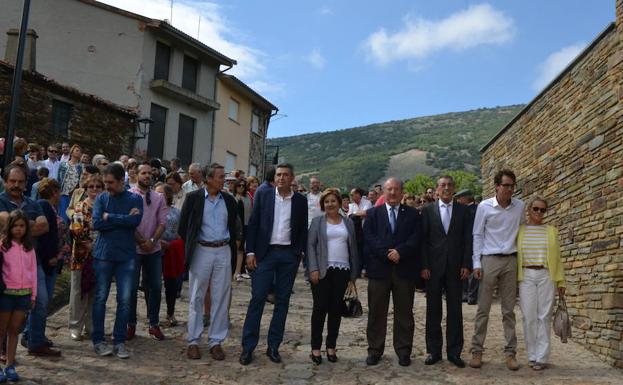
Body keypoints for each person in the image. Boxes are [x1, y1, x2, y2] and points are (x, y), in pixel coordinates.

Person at [240, 163, 307, 365]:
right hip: (265, 254)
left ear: (292, 178)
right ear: (274, 177)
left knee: (282, 302)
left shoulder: (300, 201)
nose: (281, 178)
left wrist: (299, 253)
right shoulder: (264, 195)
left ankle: (273, 346)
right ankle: (248, 347)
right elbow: (253, 225)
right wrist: (250, 251)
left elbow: (303, 228)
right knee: (257, 298)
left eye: (286, 175)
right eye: (278, 175)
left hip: (288, 256)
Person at [178, 163, 239, 360]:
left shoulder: (229, 200)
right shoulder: (193, 198)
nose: (224, 180)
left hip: (223, 250)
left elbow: (234, 226)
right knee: (197, 295)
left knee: (221, 296)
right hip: (202, 250)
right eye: (221, 176)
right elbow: (183, 228)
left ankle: (216, 341)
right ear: (209, 179)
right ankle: (193, 341)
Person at [469, 169, 525, 370]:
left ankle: (510, 354)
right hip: (489, 260)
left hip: (510, 261)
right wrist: (476, 263)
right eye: (506, 185)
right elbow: (477, 234)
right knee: (483, 309)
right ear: (497, 186)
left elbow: (522, 233)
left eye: (512, 185)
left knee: (509, 310)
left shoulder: (520, 207)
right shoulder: (484, 206)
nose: (510, 189)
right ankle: (477, 351)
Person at [363, 177, 419, 367]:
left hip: (404, 270)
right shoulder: (373, 214)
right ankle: (374, 350)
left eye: (396, 189)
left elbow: (416, 237)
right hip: (380, 270)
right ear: (383, 193)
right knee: (376, 313)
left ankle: (403, 351)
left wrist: (400, 252)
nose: (393, 193)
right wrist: (387, 253)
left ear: (402, 192)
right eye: (389, 189)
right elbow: (369, 238)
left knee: (404, 313)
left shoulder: (412, 214)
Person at [0, 165, 53, 357]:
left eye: (20, 182)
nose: (16, 185)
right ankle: (4, 349)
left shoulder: (33, 203)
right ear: (5, 182)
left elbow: (44, 225)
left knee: (41, 300)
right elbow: (5, 222)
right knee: (5, 308)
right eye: (12, 181)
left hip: (31, 260)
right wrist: (29, 224)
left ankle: (35, 341)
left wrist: (18, 225)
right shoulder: (0, 201)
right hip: (5, 263)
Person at [91, 163, 143, 359]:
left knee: (125, 300)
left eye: (110, 183)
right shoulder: (101, 198)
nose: (106, 186)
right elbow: (97, 223)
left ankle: (119, 341)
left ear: (122, 181)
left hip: (126, 256)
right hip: (103, 254)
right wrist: (122, 219)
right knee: (100, 298)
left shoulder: (135, 199)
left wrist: (109, 218)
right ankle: (98, 340)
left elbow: (135, 222)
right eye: (105, 182)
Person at [419, 176, 472, 368]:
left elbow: (468, 239)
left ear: (454, 188)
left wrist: (466, 264)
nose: (447, 188)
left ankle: (454, 352)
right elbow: (423, 241)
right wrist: (423, 265)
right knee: (433, 310)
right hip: (432, 268)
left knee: (455, 311)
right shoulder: (427, 211)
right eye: (443, 185)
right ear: (437, 190)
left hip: (456, 268)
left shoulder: (463, 211)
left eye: (450, 185)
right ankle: (434, 351)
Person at [306, 188, 359, 365]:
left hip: (342, 271)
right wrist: (312, 269)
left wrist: (353, 274)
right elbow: (310, 247)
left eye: (333, 201)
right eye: (326, 201)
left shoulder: (348, 223)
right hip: (321, 271)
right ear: (323, 204)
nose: (330, 204)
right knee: (320, 309)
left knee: (336, 309)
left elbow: (354, 249)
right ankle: (315, 348)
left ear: (339, 203)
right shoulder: (317, 222)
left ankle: (331, 346)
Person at [517, 197, 565, 371]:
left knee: (544, 316)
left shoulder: (551, 231)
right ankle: (531, 354)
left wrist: (561, 280)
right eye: (536, 209)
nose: (539, 213)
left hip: (547, 275)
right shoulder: (520, 230)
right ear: (529, 210)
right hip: (526, 274)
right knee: (528, 316)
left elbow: (557, 258)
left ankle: (542, 357)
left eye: (542, 210)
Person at [128, 163, 168, 341]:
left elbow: (162, 222)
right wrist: (141, 241)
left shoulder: (159, 197)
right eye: (143, 173)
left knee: (156, 287)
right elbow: (128, 222)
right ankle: (131, 324)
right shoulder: (128, 195)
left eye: (149, 173)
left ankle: (154, 324)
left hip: (154, 249)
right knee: (131, 288)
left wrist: (152, 241)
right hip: (134, 248)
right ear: (136, 175)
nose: (147, 176)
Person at [0, 210, 38, 381]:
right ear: (9, 227)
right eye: (15, 225)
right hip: (6, 294)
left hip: (24, 295)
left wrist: (33, 295)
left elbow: (34, 272)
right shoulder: (3, 246)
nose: (18, 229)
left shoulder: (29, 248)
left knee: (14, 331)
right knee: (1, 330)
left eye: (22, 226)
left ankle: (10, 365)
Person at [68, 174, 102, 341]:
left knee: (95, 293)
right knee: (78, 292)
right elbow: (76, 229)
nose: (94, 190)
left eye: (98, 187)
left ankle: (91, 326)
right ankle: (75, 326)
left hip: (101, 256)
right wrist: (90, 244)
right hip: (82, 255)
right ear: (86, 189)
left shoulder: (105, 206)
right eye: (91, 187)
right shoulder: (81, 206)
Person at [154, 183, 184, 328]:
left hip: (170, 251)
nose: (158, 196)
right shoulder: (150, 211)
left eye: (161, 193)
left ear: (168, 195)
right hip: (154, 250)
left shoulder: (176, 212)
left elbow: (180, 232)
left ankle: (170, 312)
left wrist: (173, 244)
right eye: (156, 193)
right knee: (153, 284)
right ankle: (152, 313)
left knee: (171, 284)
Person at [456, 189, 479, 305]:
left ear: (465, 198)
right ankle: (468, 294)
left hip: (474, 242)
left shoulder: (475, 209)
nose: (458, 200)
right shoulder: (467, 210)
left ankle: (470, 295)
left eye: (460, 198)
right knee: (465, 268)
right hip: (466, 242)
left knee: (472, 268)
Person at [58, 144, 83, 223]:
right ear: (71, 153)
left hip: (75, 196)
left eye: (80, 151)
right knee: (63, 217)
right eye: (77, 151)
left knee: (73, 218)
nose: (79, 153)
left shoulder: (80, 167)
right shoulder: (63, 165)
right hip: (64, 194)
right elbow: (59, 179)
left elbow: (81, 181)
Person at [233, 179, 252, 281]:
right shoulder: (232, 198)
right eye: (239, 185)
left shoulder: (247, 198)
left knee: (241, 249)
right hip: (234, 226)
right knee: (234, 248)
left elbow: (250, 212)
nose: (241, 187)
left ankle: (238, 271)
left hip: (245, 225)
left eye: (243, 186)